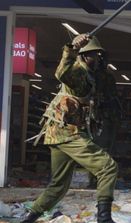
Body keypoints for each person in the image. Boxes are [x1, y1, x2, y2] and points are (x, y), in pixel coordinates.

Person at [21, 34, 119, 223]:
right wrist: (71, 49)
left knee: (59, 186)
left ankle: (29, 219)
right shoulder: (77, 71)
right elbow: (61, 73)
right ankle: (104, 218)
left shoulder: (92, 75)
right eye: (93, 55)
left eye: (99, 55)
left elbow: (105, 86)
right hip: (67, 133)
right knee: (108, 167)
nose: (97, 59)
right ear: (83, 56)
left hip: (59, 133)